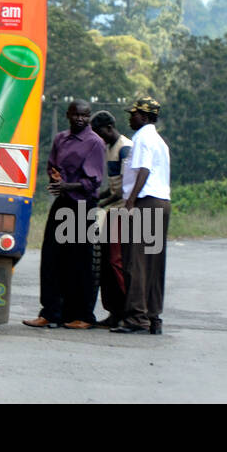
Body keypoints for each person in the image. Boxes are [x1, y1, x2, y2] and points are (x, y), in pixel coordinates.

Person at [24, 99, 105, 330]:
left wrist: (66, 186)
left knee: (80, 262)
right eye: (76, 114)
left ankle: (82, 315)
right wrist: (56, 178)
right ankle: (51, 312)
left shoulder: (95, 143)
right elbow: (52, 167)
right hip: (62, 203)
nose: (80, 119)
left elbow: (92, 182)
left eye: (85, 115)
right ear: (68, 115)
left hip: (82, 207)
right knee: (51, 259)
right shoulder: (60, 138)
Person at [112, 95, 171, 335]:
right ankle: (153, 316)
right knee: (153, 264)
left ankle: (136, 318)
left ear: (144, 116)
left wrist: (131, 201)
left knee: (135, 262)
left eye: (134, 113)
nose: (130, 117)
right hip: (161, 203)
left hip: (146, 203)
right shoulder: (159, 140)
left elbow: (144, 170)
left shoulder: (143, 138)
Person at [90, 110, 132, 329]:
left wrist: (100, 204)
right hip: (113, 209)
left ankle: (127, 310)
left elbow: (124, 189)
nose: (99, 138)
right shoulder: (108, 148)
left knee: (116, 262)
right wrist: (96, 197)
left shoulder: (125, 148)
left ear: (109, 128)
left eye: (99, 133)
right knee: (106, 263)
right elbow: (112, 187)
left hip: (122, 210)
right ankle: (113, 311)